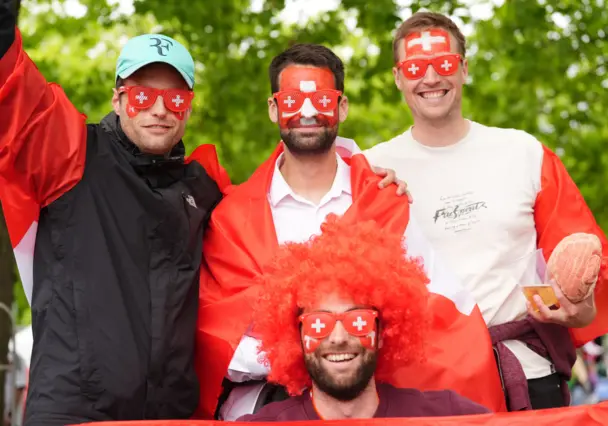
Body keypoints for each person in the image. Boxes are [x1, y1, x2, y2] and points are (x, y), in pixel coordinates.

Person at [194, 43, 505, 420]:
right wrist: (315, 355)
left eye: (321, 100)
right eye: (292, 100)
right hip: (269, 408)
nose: (307, 112)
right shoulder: (231, 219)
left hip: (374, 404)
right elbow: (220, 343)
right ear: (273, 108)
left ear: (341, 107)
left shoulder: (384, 202)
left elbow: (431, 310)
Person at [363, 11, 608, 410]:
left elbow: (576, 269)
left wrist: (578, 309)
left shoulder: (522, 152)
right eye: (415, 67)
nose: (430, 79)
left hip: (526, 375)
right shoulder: (373, 170)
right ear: (397, 77)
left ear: (463, 68)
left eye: (443, 64)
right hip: (423, 387)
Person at [0, 0, 231, 423]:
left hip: (172, 415)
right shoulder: (72, 156)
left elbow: (275, 217)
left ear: (189, 105)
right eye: (143, 94)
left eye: (174, 98)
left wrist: (364, 173)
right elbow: (14, 96)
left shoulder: (204, 188)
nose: (159, 109)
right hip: (74, 412)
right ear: (119, 99)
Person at [236, 217, 491, 421]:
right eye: (319, 323)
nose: (338, 338)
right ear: (297, 337)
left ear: (382, 333)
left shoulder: (448, 417)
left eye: (356, 319)